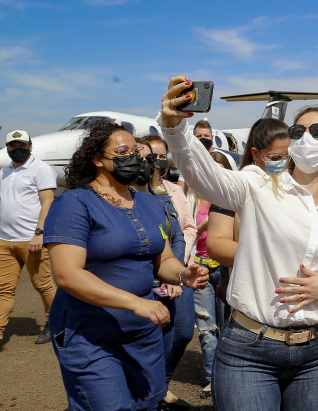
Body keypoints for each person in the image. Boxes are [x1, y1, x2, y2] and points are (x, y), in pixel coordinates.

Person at [160, 79, 318, 411]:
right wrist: (177, 128)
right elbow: (206, 178)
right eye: (298, 132)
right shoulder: (256, 183)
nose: (305, 139)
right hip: (250, 350)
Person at [43, 120, 208, 410]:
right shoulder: (73, 203)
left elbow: (163, 260)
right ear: (97, 159)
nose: (134, 158)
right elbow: (67, 275)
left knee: (147, 403)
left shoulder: (150, 203)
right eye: (122, 151)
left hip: (143, 333)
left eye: (136, 151)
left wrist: (183, 274)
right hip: (90, 335)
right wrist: (134, 303)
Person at [133, 137, 197, 410]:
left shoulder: (163, 197)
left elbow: (178, 235)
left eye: (157, 158)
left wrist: (177, 273)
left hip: (171, 273)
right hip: (142, 283)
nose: (153, 163)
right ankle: (150, 392)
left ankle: (159, 387)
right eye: (148, 157)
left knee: (179, 332)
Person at [0, 129, 57, 348]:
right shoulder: (4, 172)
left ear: (30, 147)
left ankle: (53, 323)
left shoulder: (41, 169)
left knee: (42, 285)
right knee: (3, 288)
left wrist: (39, 233)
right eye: (13, 146)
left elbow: (48, 202)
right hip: (5, 240)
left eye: (22, 145)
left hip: (31, 239)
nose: (18, 149)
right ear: (8, 149)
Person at [192, 151, 234, 401]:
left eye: (220, 170)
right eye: (211, 169)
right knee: (207, 328)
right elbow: (185, 234)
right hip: (200, 267)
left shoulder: (233, 200)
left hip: (226, 268)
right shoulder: (192, 198)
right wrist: (203, 225)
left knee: (229, 326)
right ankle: (211, 378)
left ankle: (227, 374)